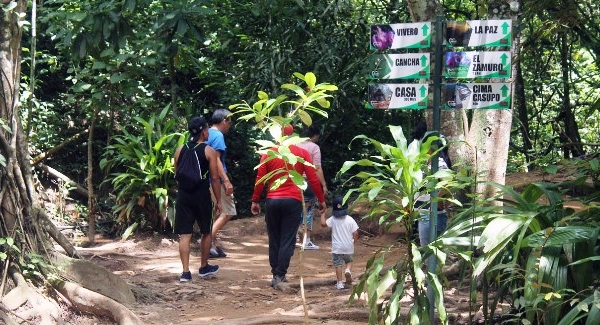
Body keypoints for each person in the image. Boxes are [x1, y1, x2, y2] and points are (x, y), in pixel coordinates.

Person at [250, 124, 326, 289]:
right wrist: (321, 199)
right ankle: (280, 274)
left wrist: (255, 200)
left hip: (272, 200)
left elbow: (260, 178)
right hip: (293, 200)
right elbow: (312, 179)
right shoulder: (301, 153)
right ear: (293, 136)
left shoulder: (269, 153)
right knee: (288, 239)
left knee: (274, 238)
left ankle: (275, 274)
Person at [174, 116, 222, 282]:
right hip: (201, 195)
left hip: (183, 195)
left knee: (185, 234)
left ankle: (185, 272)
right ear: (203, 132)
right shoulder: (209, 151)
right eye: (207, 129)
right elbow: (215, 179)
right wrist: (219, 200)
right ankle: (203, 266)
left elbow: (176, 173)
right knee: (206, 231)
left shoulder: (180, 149)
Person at [206, 108, 236, 258]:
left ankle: (212, 246)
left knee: (214, 213)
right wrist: (226, 180)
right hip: (216, 180)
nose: (229, 126)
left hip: (204, 180)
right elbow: (216, 160)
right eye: (229, 122)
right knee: (228, 211)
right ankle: (206, 240)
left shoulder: (205, 133)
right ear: (224, 121)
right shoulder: (217, 135)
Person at [416, 132, 452, 247]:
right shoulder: (427, 165)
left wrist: (437, 200)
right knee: (430, 252)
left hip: (431, 214)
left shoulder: (439, 163)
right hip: (425, 213)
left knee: (429, 253)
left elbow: (448, 184)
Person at [295, 124, 328, 250]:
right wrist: (323, 185)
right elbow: (317, 169)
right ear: (314, 135)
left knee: (295, 209)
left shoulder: (295, 145)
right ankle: (306, 240)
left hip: (294, 181)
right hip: (308, 182)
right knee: (308, 211)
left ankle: (293, 238)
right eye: (317, 137)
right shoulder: (314, 147)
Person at [320, 195, 359, 290]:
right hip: (348, 245)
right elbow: (356, 233)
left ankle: (340, 283)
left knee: (338, 264)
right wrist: (354, 242)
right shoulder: (350, 219)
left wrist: (323, 214)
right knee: (349, 261)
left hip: (337, 247)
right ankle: (348, 270)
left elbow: (323, 224)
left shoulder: (333, 219)